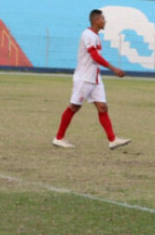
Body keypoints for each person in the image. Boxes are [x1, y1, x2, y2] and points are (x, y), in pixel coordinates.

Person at [52, 9, 131, 150]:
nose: (105, 21)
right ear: (96, 20)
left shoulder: (95, 36)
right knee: (74, 107)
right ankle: (58, 138)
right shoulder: (87, 35)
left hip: (94, 78)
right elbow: (94, 56)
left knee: (103, 107)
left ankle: (112, 140)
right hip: (84, 78)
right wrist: (113, 68)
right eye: (103, 19)